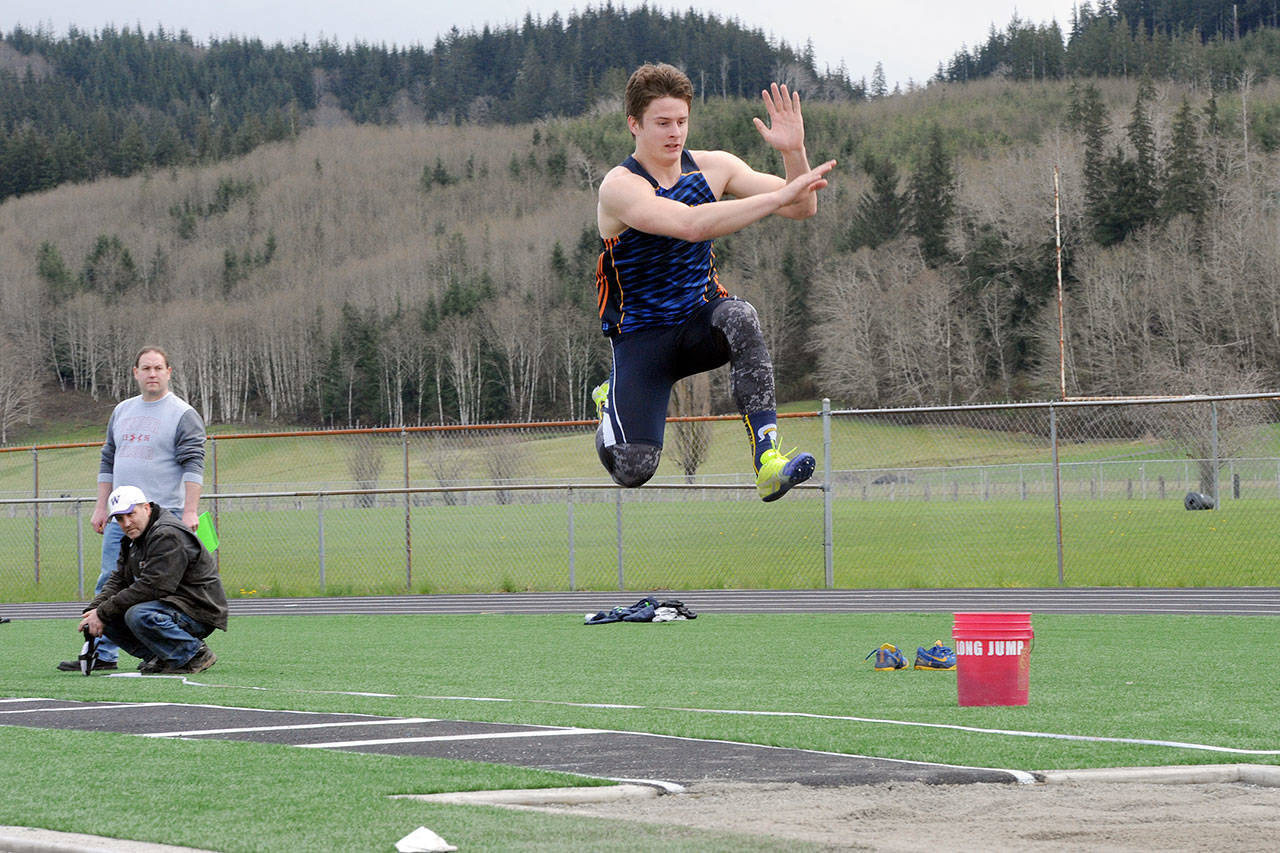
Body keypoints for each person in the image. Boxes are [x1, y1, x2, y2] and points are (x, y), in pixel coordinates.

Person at [592, 63, 836, 501]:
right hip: (641, 341)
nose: (675, 133)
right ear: (634, 124)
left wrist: (793, 152)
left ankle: (768, 460)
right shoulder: (620, 187)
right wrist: (777, 195)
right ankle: (610, 399)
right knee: (633, 469)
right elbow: (689, 225)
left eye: (682, 121)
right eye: (662, 123)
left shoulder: (714, 167)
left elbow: (802, 207)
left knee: (741, 316)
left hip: (697, 324)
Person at [57, 346, 206, 671]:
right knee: (109, 582)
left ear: (168, 372)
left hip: (162, 520)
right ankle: (101, 654)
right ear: (135, 372)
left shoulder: (183, 413)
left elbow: (194, 464)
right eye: (146, 368)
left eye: (158, 368)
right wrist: (101, 507)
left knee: (161, 590)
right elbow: (109, 459)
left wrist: (190, 511)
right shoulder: (122, 411)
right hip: (120, 518)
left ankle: (177, 647)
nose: (152, 374)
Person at [78, 485, 226, 675]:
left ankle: (194, 654)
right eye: (120, 518)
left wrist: (103, 612)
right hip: (170, 605)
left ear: (146, 508)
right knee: (107, 614)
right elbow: (119, 580)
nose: (127, 523)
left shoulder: (167, 534)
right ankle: (160, 657)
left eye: (131, 514)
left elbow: (155, 586)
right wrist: (94, 610)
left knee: (137, 613)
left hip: (198, 608)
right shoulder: (133, 538)